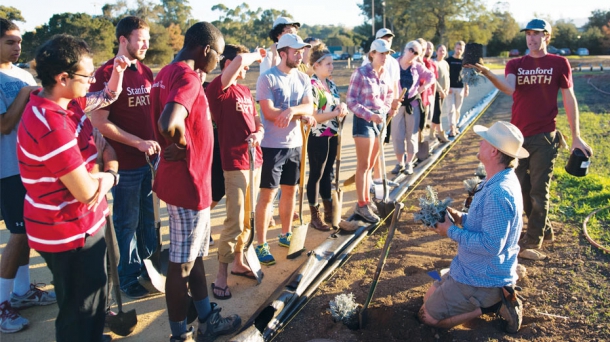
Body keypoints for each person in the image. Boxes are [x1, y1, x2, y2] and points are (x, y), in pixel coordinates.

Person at [17, 34, 129, 341]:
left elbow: (106, 99)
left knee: (92, 300)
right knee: (78, 311)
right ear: (61, 77)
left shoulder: (70, 101)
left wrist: (103, 160)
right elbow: (87, 191)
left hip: (85, 222)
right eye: (87, 75)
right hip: (67, 229)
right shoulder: (50, 122)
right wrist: (112, 174)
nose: (92, 80)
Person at [467, 18, 593, 260]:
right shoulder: (516, 64)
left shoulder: (559, 63)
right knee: (520, 189)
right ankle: (543, 229)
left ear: (547, 36)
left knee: (538, 191)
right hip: (516, 138)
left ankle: (533, 238)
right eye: (528, 34)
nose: (531, 38)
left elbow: (569, 99)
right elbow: (509, 88)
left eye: (537, 34)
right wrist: (487, 73)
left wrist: (576, 136)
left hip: (545, 136)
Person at [150, 22, 241, 341]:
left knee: (193, 257)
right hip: (187, 185)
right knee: (181, 265)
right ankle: (180, 335)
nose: (218, 61)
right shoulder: (187, 77)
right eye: (218, 54)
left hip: (183, 184)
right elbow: (168, 122)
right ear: (205, 50)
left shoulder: (165, 72)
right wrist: (184, 144)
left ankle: (206, 317)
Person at [418, 121, 528, 333]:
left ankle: (492, 304)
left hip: (482, 277)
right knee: (428, 296)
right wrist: (461, 219)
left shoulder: (499, 193)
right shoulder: (497, 179)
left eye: (484, 141)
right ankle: (486, 297)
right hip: (470, 268)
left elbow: (491, 245)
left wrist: (450, 231)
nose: (480, 142)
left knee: (426, 317)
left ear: (494, 151)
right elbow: (487, 224)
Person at [90, 15, 160, 299]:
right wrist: (137, 142)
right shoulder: (105, 72)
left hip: (149, 163)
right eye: (140, 39)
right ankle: (127, 275)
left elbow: (151, 112)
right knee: (126, 221)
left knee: (147, 219)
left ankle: (148, 268)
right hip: (126, 165)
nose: (145, 44)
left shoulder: (146, 71)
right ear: (123, 40)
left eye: (148, 39)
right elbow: (99, 121)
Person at [0, 17, 56, 334]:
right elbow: (5, 125)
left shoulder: (22, 73)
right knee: (19, 234)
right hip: (6, 169)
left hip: (30, 168)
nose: (17, 46)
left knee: (28, 232)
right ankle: (2, 302)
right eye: (10, 41)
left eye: (19, 41)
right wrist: (26, 94)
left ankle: (21, 293)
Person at [205, 44, 265, 299]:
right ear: (229, 63)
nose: (248, 67)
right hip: (234, 164)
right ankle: (221, 276)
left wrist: (259, 133)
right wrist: (258, 54)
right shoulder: (218, 89)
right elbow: (241, 58)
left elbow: (257, 119)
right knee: (234, 220)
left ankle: (239, 262)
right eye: (243, 65)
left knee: (247, 220)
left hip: (255, 161)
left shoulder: (244, 90)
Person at [254, 33, 316, 265]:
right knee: (268, 196)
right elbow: (268, 113)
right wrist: (298, 113)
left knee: (290, 192)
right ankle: (260, 244)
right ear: (283, 53)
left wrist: (295, 112)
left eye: (302, 51)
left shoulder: (302, 78)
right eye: (296, 51)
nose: (300, 55)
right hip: (272, 147)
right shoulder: (267, 79)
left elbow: (310, 107)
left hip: (295, 144)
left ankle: (285, 235)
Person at [346, 38, 394, 224]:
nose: (384, 57)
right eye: (381, 53)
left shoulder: (385, 73)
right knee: (364, 165)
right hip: (364, 121)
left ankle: (366, 200)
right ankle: (362, 203)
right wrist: (370, 115)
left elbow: (389, 94)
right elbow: (351, 101)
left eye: (387, 54)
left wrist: (386, 108)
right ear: (372, 54)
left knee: (372, 164)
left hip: (379, 120)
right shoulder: (361, 73)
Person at [306, 43, 348, 231]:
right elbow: (314, 115)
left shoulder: (330, 84)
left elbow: (337, 105)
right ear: (316, 65)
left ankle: (330, 210)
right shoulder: (312, 85)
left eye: (332, 64)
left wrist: (343, 109)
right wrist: (334, 114)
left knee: (328, 174)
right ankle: (315, 215)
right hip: (317, 135)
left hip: (333, 132)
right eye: (328, 64)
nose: (331, 67)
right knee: (316, 173)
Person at [363, 29, 401, 187]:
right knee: (371, 145)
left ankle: (378, 177)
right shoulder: (367, 63)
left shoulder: (393, 62)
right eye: (384, 38)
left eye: (389, 38)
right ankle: (368, 179)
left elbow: (394, 84)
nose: (387, 40)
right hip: (371, 111)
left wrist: (395, 104)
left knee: (381, 144)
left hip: (386, 109)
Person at [392, 41, 434, 175]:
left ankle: (409, 163)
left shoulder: (417, 67)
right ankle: (400, 163)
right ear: (405, 49)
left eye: (416, 53)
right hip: (397, 104)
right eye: (411, 50)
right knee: (397, 134)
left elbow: (431, 76)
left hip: (412, 104)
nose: (413, 54)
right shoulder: (393, 64)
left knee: (411, 135)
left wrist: (423, 88)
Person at [445, 40, 469, 137]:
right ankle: (452, 129)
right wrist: (447, 87)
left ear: (463, 50)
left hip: (460, 88)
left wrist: (467, 88)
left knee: (457, 110)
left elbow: (466, 75)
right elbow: (445, 76)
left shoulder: (464, 62)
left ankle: (455, 125)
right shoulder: (448, 61)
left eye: (461, 49)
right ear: (454, 48)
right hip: (450, 88)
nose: (458, 51)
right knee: (451, 109)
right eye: (457, 48)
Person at [431, 44, 450, 142]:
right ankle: (440, 133)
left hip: (444, 91)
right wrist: (441, 90)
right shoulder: (434, 63)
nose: (442, 52)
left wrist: (446, 89)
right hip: (436, 92)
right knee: (438, 112)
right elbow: (433, 79)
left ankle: (431, 132)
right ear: (436, 52)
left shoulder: (445, 63)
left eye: (444, 50)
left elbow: (447, 77)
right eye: (440, 50)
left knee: (437, 112)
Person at [423, 41, 438, 132]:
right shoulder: (419, 62)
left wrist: (433, 94)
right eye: (427, 48)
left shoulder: (433, 64)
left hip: (429, 95)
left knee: (426, 115)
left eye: (430, 49)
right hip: (420, 94)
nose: (428, 51)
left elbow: (434, 81)